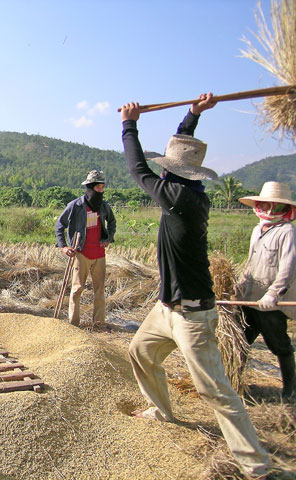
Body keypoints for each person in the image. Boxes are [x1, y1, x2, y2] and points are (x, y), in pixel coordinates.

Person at [121, 95, 270, 478]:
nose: (164, 172)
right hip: (166, 307)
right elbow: (180, 154)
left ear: (175, 175)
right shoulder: (186, 192)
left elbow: (138, 169)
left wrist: (129, 124)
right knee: (140, 351)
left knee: (215, 392)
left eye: (168, 168)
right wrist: (193, 115)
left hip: (191, 314)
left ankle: (257, 466)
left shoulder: (179, 198)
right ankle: (161, 411)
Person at [237, 181, 296, 400]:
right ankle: (234, 383)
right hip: (249, 300)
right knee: (240, 342)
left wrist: (273, 294)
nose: (270, 210)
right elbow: (251, 263)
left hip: (269, 304)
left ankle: (291, 389)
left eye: (276, 206)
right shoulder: (258, 229)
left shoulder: (287, 231)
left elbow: (288, 268)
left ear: (284, 209)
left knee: (280, 346)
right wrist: (239, 288)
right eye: (266, 205)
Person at [55, 170, 116, 329]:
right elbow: (59, 226)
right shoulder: (76, 206)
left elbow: (112, 222)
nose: (101, 191)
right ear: (90, 188)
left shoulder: (103, 206)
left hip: (99, 255)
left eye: (103, 188)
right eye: (98, 188)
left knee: (100, 291)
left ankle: (98, 324)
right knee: (76, 290)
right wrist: (63, 246)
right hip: (81, 253)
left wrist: (108, 238)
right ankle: (74, 325)